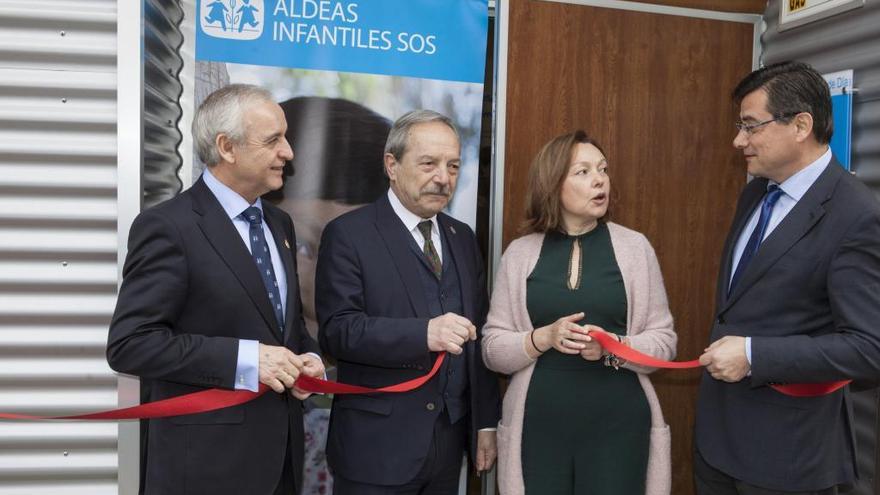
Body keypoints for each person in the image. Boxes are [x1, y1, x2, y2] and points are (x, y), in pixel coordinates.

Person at [107, 84, 324, 495]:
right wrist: (246, 359)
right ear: (227, 147)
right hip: (205, 468)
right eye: (274, 139)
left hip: (281, 463)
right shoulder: (170, 227)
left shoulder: (280, 226)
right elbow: (131, 344)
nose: (289, 152)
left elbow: (285, 324)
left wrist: (306, 358)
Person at [695, 61, 880, 494]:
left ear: (800, 125)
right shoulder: (756, 191)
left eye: (751, 126)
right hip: (718, 441)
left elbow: (869, 348)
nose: (738, 140)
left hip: (787, 456)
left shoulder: (855, 215)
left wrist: (756, 355)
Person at [315, 110, 501, 494]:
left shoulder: (462, 238)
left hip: (449, 448)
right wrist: (425, 333)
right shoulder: (349, 234)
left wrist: (485, 422)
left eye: (453, 165)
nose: (443, 178)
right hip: (376, 450)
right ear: (392, 165)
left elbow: (478, 336)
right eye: (429, 163)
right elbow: (338, 332)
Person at [482, 130, 677, 495]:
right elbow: (492, 349)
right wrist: (543, 338)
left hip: (619, 428)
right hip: (538, 428)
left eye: (602, 169)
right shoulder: (519, 253)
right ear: (552, 183)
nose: (599, 179)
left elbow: (664, 344)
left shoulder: (635, 248)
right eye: (583, 172)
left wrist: (613, 345)